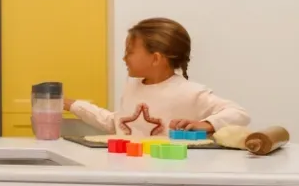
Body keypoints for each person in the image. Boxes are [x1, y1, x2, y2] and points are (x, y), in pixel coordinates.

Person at [64, 17, 249, 137]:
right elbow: (117, 124)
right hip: (127, 171)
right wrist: (72, 104)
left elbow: (239, 114)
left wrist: (206, 124)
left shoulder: (189, 93)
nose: (124, 58)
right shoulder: (133, 86)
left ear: (156, 58)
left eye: (129, 52)